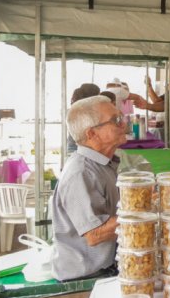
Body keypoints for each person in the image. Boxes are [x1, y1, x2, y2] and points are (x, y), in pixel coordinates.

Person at [51, 96, 123, 281]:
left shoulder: (102, 163)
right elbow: (95, 234)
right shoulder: (81, 172)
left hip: (107, 266)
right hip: (88, 274)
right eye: (115, 120)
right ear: (92, 134)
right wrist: (140, 212)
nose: (123, 123)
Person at [66, 83, 101, 155]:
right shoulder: (86, 111)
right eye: (98, 95)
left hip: (73, 147)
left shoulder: (75, 108)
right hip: (81, 150)